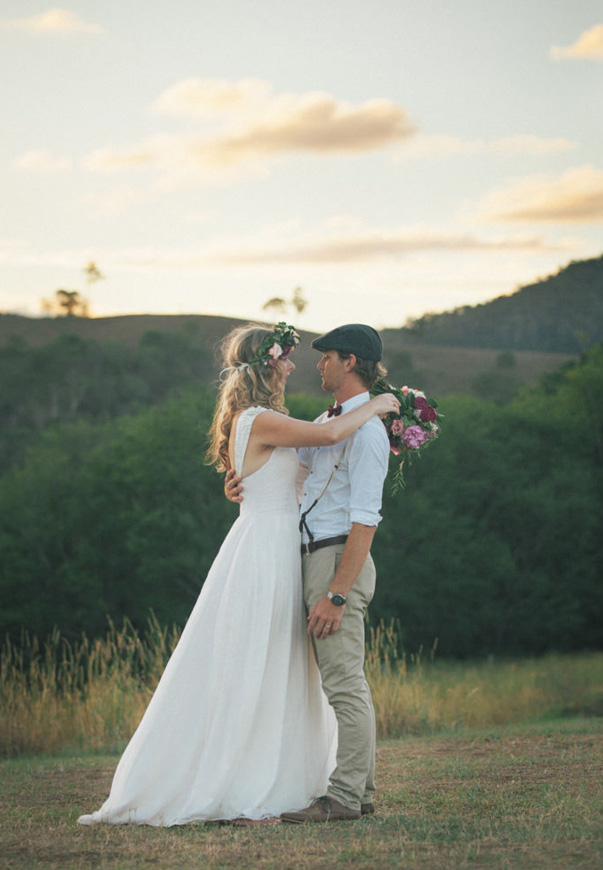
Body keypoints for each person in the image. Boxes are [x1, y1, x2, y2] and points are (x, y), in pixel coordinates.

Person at [77, 322, 398, 826]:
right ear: (268, 364)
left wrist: (245, 481)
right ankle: (257, 779)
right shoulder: (263, 418)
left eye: (314, 356)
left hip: (287, 550)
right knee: (257, 663)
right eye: (287, 357)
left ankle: (319, 784)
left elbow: (312, 472)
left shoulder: (271, 420)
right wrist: (378, 404)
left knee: (285, 670)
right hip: (271, 553)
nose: (297, 364)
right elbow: (331, 435)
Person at [226, 323, 391, 823]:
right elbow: (291, 476)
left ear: (351, 363)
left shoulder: (367, 432)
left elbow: (366, 519)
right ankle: (356, 793)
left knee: (343, 682)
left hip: (337, 560)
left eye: (327, 356)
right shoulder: (326, 419)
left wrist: (338, 592)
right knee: (332, 681)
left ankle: (345, 797)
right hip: (307, 557)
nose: (316, 364)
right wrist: (242, 486)